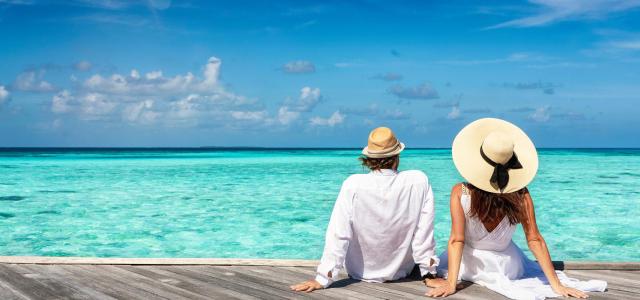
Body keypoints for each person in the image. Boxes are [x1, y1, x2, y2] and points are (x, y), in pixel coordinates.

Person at [427, 118, 607, 299]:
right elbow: (534, 239)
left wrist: (451, 284)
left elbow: (457, 240)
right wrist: (556, 285)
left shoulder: (460, 192)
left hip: (470, 264)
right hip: (508, 266)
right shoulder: (521, 194)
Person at [290, 127, 441, 292]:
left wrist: (323, 278)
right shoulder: (418, 180)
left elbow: (339, 234)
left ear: (369, 157)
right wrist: (429, 274)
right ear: (397, 155)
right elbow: (424, 233)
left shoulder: (353, 184)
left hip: (359, 273)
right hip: (401, 272)